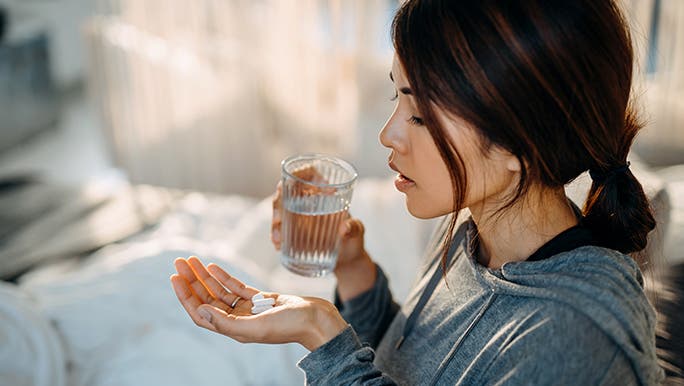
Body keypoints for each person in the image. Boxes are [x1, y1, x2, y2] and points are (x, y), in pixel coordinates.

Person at [170, 0, 666, 384]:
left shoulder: (574, 341)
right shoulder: (476, 233)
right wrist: (354, 269)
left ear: (520, 142)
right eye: (396, 96)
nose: (388, 135)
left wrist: (322, 334)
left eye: (420, 115)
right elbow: (406, 364)